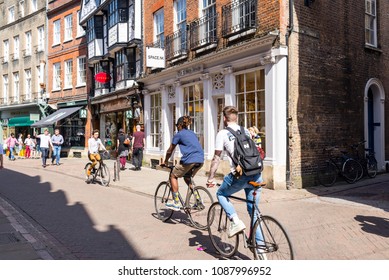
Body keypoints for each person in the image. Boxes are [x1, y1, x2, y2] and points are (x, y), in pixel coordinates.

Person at [206, 106, 264, 245]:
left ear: (224, 119)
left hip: (240, 176)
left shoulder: (222, 134)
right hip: (256, 173)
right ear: (236, 118)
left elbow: (216, 158)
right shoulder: (245, 130)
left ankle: (235, 221)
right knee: (254, 212)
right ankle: (261, 248)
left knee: (221, 194)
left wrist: (211, 178)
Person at [160, 116, 204, 211]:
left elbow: (170, 150)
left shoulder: (179, 134)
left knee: (173, 176)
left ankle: (176, 202)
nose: (176, 127)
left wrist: (165, 161)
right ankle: (198, 200)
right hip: (200, 160)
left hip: (189, 160)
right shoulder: (192, 133)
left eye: (177, 125)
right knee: (187, 178)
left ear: (180, 125)